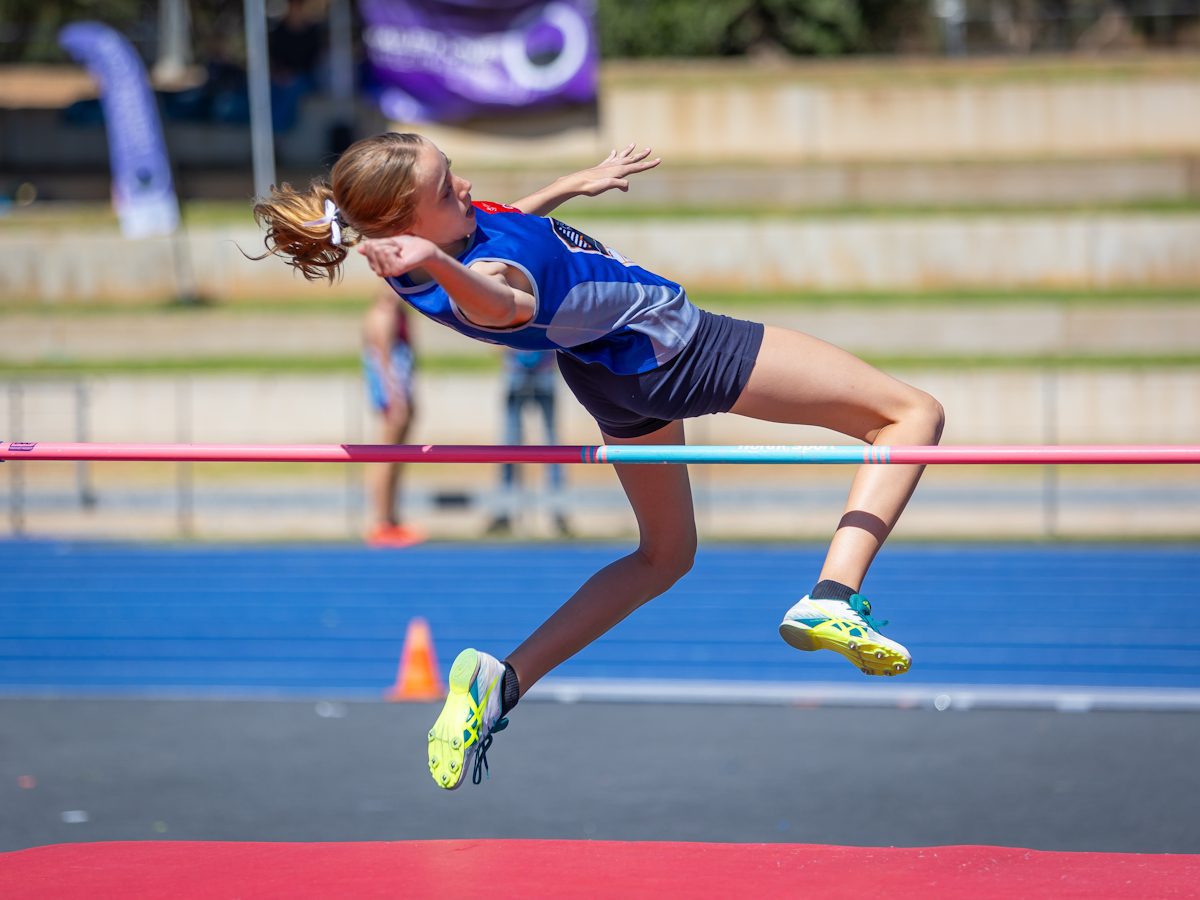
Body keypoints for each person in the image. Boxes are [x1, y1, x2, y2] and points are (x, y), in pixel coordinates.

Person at [251, 133, 945, 790]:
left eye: (451, 166)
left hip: (613, 374)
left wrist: (570, 185)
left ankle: (502, 683)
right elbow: (506, 304)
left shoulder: (456, 236)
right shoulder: (472, 272)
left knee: (665, 556)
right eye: (445, 185)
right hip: (680, 349)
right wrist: (436, 265)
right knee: (911, 414)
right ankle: (831, 598)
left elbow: (503, 220)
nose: (466, 184)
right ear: (411, 227)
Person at [361, 285, 424, 548]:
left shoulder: (398, 314)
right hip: (391, 393)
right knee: (387, 458)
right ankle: (382, 521)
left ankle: (392, 518)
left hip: (399, 389)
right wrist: (395, 400)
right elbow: (384, 361)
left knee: (396, 457)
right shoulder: (383, 315)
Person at [487, 348, 571, 537]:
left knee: (554, 448)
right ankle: (504, 510)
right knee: (509, 446)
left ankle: (559, 510)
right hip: (517, 371)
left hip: (543, 371)